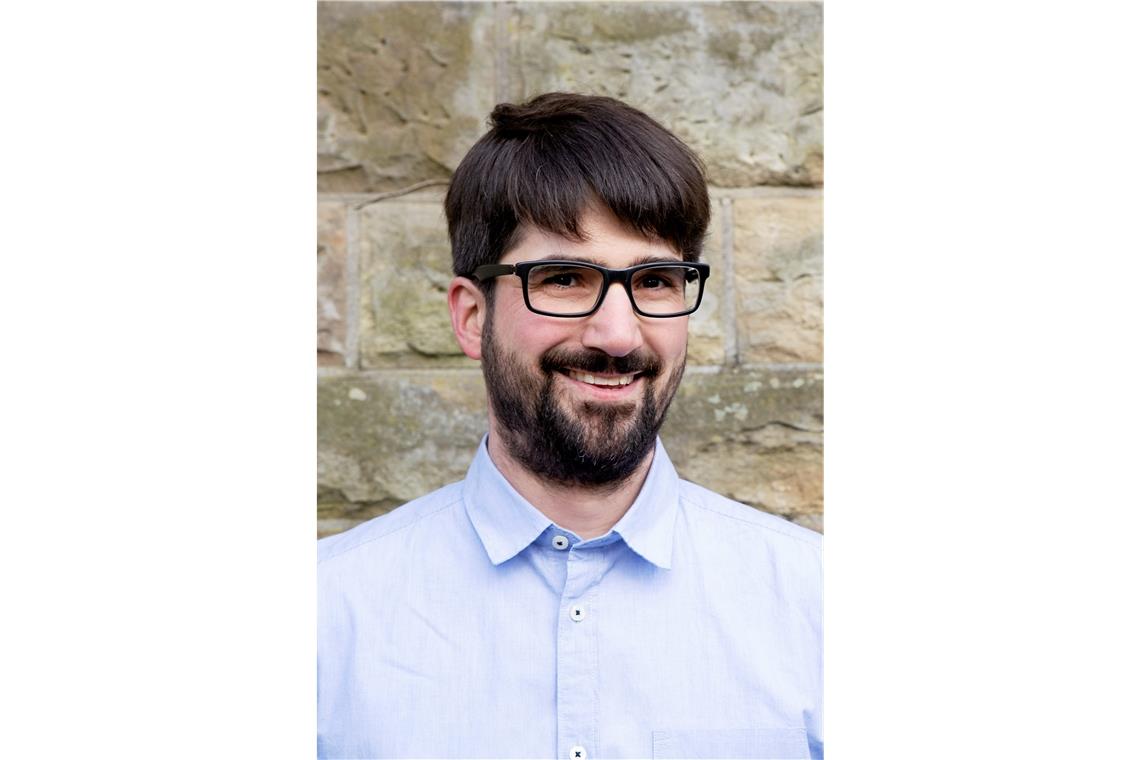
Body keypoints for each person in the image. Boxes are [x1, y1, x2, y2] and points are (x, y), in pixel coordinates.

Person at [318, 93, 822, 759]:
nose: (618, 334)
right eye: (563, 279)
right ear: (471, 317)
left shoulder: (816, 604)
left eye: (655, 281)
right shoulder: (325, 617)